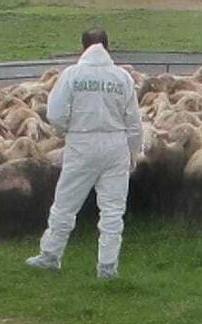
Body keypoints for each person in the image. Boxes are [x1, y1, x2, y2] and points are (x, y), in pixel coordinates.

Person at [26, 28, 142, 279]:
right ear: (108, 47)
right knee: (112, 208)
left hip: (82, 142)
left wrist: (68, 129)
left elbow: (55, 114)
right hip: (115, 143)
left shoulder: (72, 75)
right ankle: (108, 266)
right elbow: (134, 121)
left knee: (66, 202)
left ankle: (51, 254)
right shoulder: (122, 77)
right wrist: (133, 153)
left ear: (83, 48)